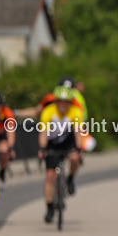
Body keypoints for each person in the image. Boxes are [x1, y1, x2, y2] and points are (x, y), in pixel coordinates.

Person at [38, 86, 86, 223]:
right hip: (52, 143)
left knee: (75, 157)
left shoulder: (76, 111)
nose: (63, 105)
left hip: (68, 141)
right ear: (56, 102)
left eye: (66, 102)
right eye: (60, 101)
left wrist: (79, 148)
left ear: (70, 103)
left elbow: (78, 132)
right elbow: (43, 133)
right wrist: (42, 149)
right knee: (50, 175)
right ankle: (49, 207)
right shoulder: (48, 111)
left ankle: (70, 178)